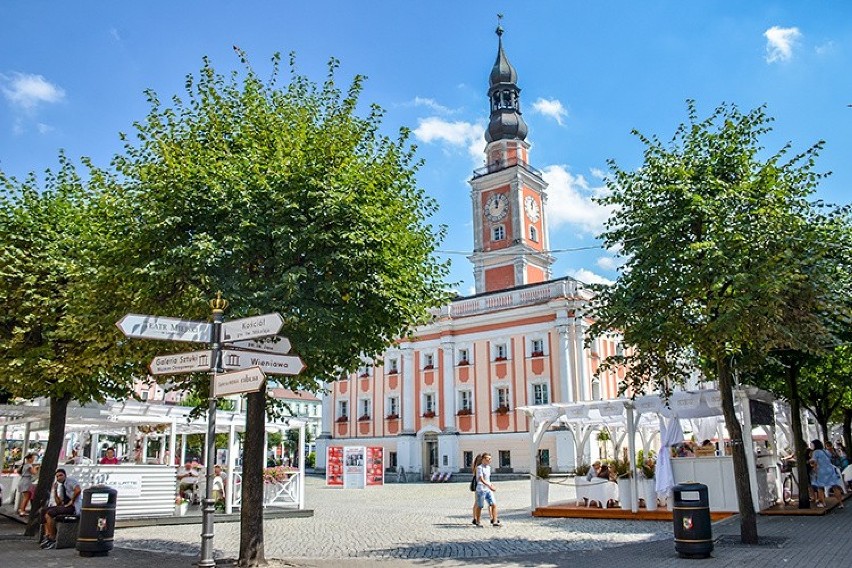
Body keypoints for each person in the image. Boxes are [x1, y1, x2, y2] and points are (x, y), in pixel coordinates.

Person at [40, 469, 82, 550]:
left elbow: (78, 490)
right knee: (44, 510)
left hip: (72, 507)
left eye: (60, 475)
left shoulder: (70, 481)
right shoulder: (61, 486)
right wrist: (55, 490)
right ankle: (47, 534)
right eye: (57, 476)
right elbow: (59, 503)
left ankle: (52, 537)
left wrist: (72, 501)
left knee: (50, 513)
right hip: (65, 506)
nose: (59, 478)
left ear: (65, 475)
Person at [810, 439, 844, 509]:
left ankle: (823, 503)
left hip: (821, 471)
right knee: (835, 487)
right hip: (830, 470)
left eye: (812, 444)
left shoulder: (815, 452)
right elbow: (831, 457)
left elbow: (814, 462)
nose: (811, 446)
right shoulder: (825, 451)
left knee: (820, 487)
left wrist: (812, 465)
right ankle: (840, 503)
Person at [473, 453, 500, 527]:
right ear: (483, 459)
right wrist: (489, 485)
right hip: (481, 489)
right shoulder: (479, 468)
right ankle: (478, 521)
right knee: (480, 506)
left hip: (488, 489)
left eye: (490, 459)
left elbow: (488, 479)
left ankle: (495, 521)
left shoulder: (488, 468)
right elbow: (481, 479)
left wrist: (491, 485)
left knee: (493, 504)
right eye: (488, 459)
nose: (489, 460)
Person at [470, 453, 484, 525]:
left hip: (476, 485)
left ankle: (474, 518)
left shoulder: (475, 466)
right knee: (477, 502)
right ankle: (475, 518)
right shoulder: (479, 467)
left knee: (476, 502)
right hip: (478, 485)